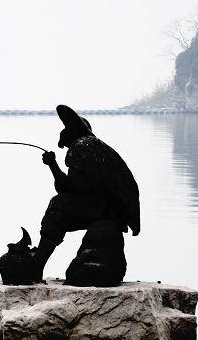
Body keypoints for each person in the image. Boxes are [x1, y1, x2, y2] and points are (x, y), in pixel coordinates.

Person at [35, 105, 140, 278]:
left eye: (66, 129)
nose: (63, 133)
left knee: (58, 207)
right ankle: (38, 261)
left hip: (104, 208)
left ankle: (37, 265)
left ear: (73, 131)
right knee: (60, 203)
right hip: (109, 207)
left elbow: (74, 188)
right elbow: (74, 185)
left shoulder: (80, 146)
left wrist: (53, 167)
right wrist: (53, 165)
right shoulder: (95, 146)